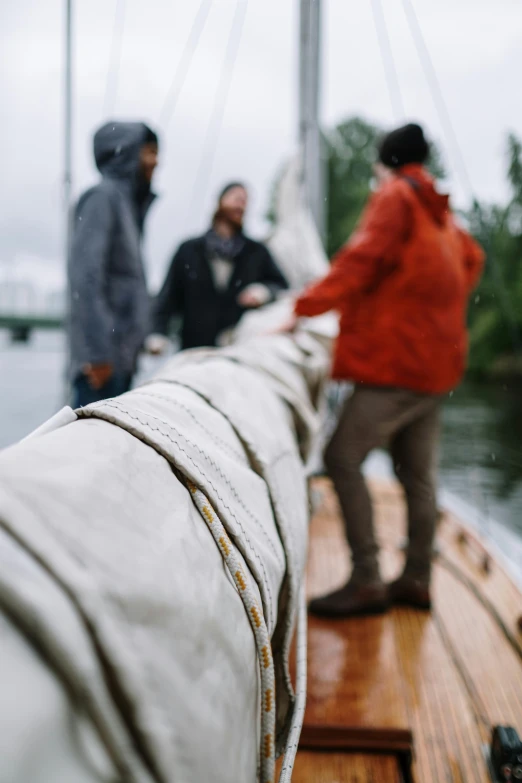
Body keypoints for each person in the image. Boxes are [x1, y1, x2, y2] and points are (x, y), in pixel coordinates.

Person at [293, 123, 484, 616]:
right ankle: (417, 578)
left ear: (387, 162)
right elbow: (472, 261)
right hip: (436, 367)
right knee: (417, 474)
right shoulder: (441, 213)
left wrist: (301, 309)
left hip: (395, 363)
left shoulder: (397, 196)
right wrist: (429, 308)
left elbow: (360, 261)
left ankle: (367, 578)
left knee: (340, 457)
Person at [68, 121, 159, 408]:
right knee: (89, 451)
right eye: (150, 152)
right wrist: (96, 354)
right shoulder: (103, 198)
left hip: (120, 360)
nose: (156, 161)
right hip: (102, 367)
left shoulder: (126, 206)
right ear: (128, 153)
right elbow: (86, 276)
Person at [150, 183, 288, 350]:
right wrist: (157, 333)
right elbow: (168, 297)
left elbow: (281, 286)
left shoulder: (256, 252)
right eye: (236, 198)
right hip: (193, 349)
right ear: (219, 202)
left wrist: (264, 292)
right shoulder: (189, 250)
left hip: (240, 349)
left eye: (245, 201)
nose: (241, 204)